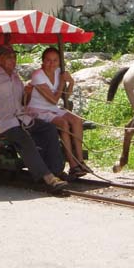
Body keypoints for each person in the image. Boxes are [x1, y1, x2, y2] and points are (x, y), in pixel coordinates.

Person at [0, 44, 68, 191]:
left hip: (21, 118)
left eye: (14, 56)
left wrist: (28, 92)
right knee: (23, 138)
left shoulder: (15, 76)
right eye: (9, 57)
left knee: (48, 128)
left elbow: (23, 102)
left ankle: (56, 169)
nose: (13, 60)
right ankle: (48, 177)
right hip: (3, 122)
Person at [28, 47, 87, 178]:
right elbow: (54, 100)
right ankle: (72, 164)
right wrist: (62, 82)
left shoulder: (59, 71)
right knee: (63, 123)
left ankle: (80, 160)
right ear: (43, 61)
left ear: (59, 62)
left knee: (76, 120)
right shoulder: (37, 75)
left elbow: (66, 96)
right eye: (48, 60)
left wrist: (71, 82)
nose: (52, 64)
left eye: (55, 60)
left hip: (52, 109)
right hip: (38, 110)